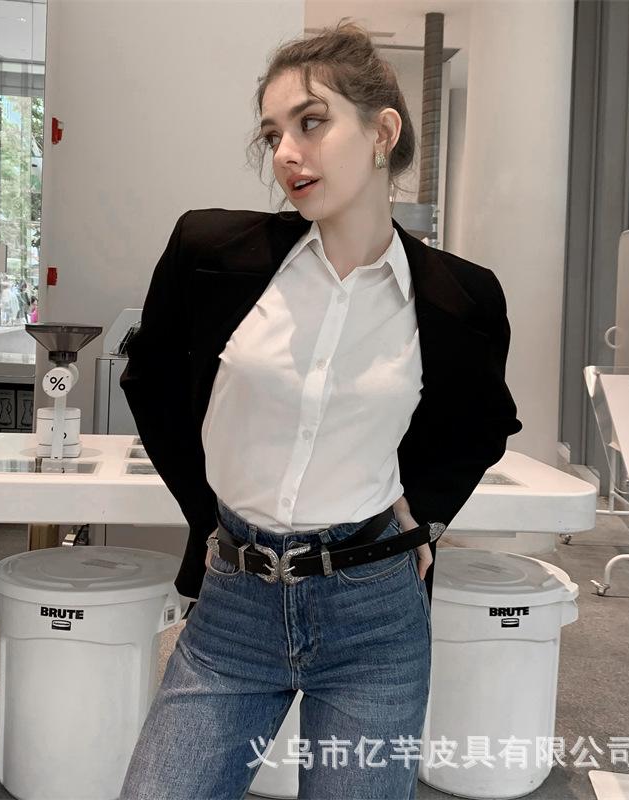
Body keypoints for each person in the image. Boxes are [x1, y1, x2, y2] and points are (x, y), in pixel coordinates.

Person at [119, 19, 522, 800]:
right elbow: (153, 382)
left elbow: (482, 423)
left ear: (382, 133)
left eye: (311, 122)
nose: (285, 153)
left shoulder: (462, 296)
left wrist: (424, 515)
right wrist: (208, 512)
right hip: (234, 604)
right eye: (273, 133)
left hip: (374, 612)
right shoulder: (210, 253)